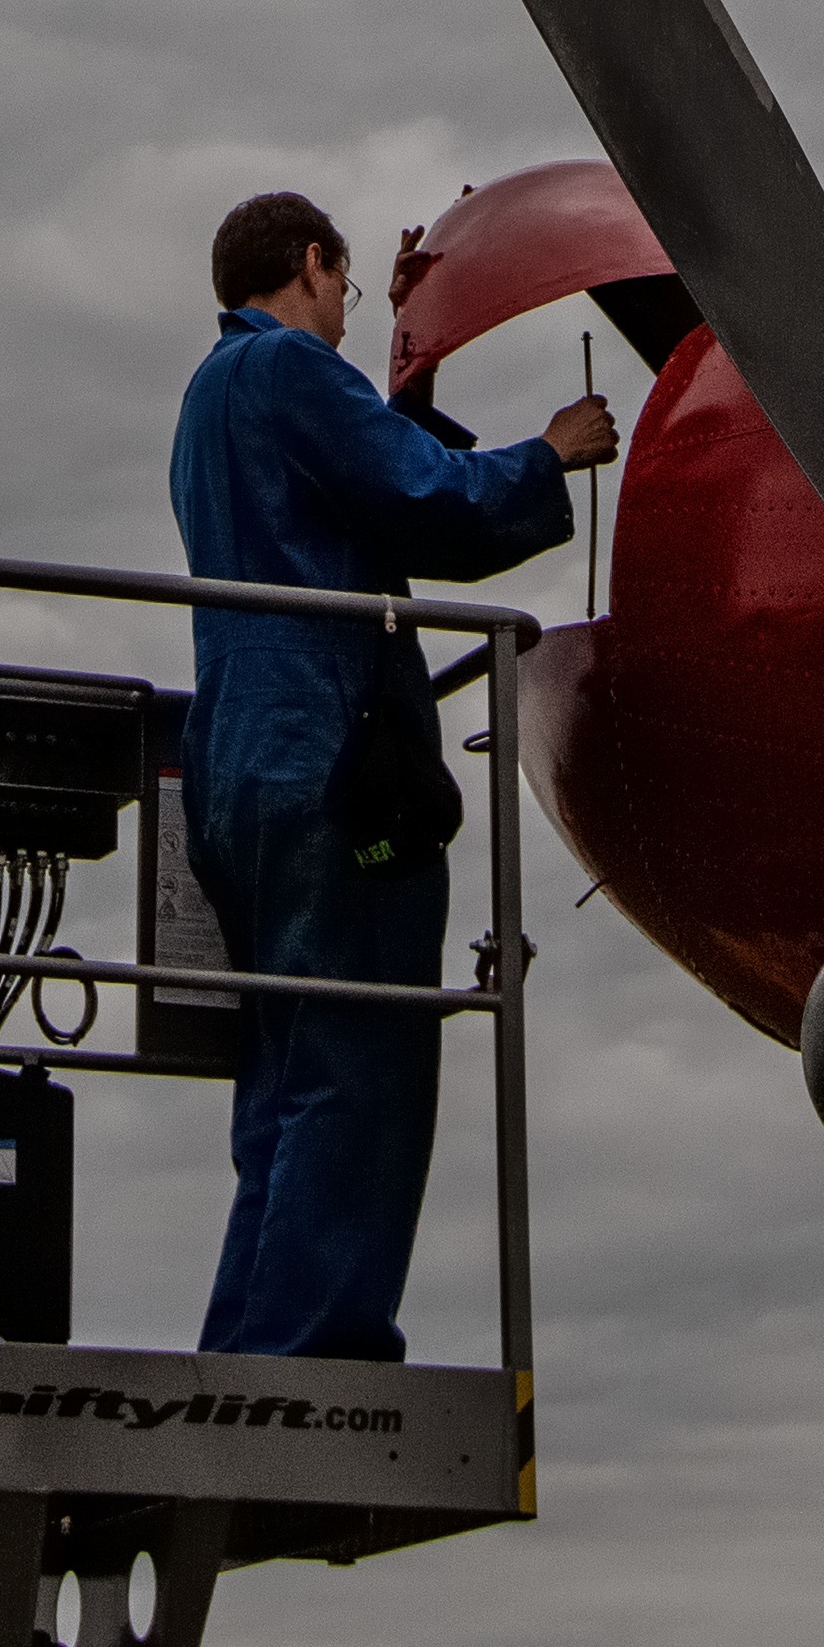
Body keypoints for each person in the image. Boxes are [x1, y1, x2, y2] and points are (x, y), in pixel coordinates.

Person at [168, 185, 615, 1362]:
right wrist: (551, 455)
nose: (345, 311)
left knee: (285, 1078)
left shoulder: (214, 393)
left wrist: (412, 366)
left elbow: (355, 476)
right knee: (361, 1056)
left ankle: (249, 1346)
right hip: (327, 748)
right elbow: (420, 497)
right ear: (313, 260)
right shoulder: (288, 369)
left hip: (238, 756)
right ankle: (312, 1351)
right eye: (348, 287)